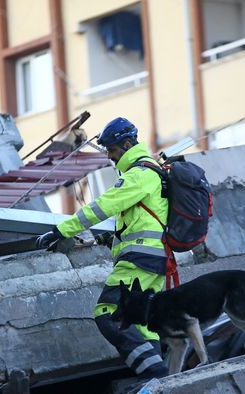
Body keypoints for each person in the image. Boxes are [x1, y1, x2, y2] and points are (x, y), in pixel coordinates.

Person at [36, 117, 169, 379]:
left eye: (112, 150)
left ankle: (155, 375)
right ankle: (158, 379)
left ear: (127, 144)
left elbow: (102, 206)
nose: (110, 157)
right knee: (141, 323)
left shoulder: (139, 174)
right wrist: (111, 239)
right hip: (154, 258)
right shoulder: (153, 171)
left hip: (139, 258)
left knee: (108, 313)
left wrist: (61, 230)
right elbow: (140, 219)